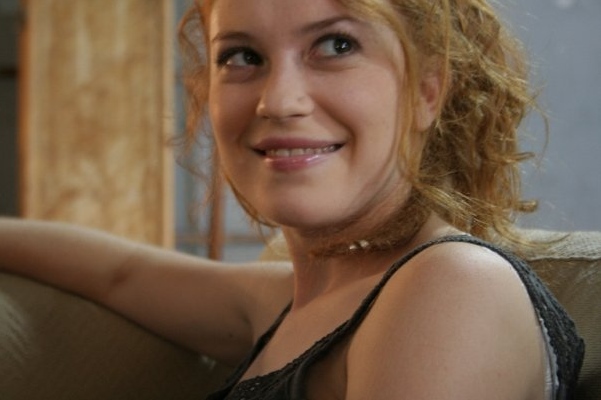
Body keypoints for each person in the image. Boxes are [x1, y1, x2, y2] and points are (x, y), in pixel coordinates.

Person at [0, 0, 585, 399]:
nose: (278, 100)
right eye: (241, 56)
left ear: (428, 90)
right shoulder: (298, 299)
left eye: (335, 44)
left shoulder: (451, 285)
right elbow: (119, 274)